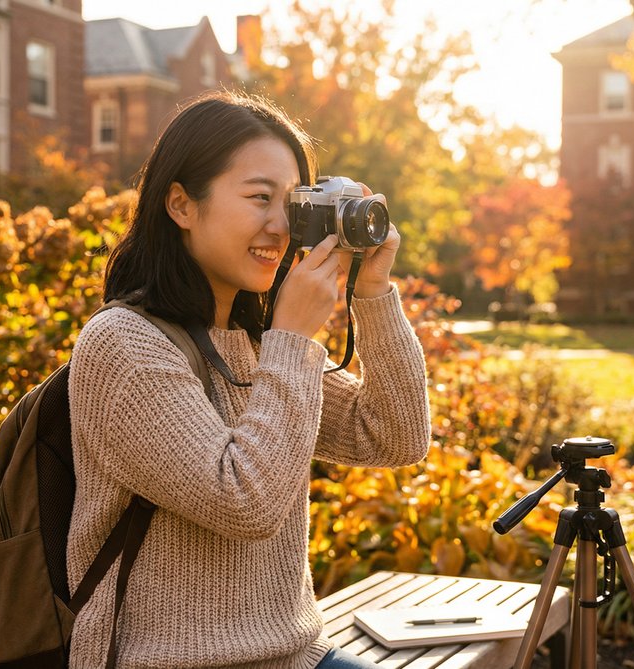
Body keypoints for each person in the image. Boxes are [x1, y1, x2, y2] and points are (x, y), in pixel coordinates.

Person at [66, 91, 431, 669]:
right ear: (182, 205)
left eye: (292, 203)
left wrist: (373, 290)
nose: (281, 226)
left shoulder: (252, 342)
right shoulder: (124, 344)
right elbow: (244, 503)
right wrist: (294, 337)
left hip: (297, 656)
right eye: (260, 197)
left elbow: (395, 437)